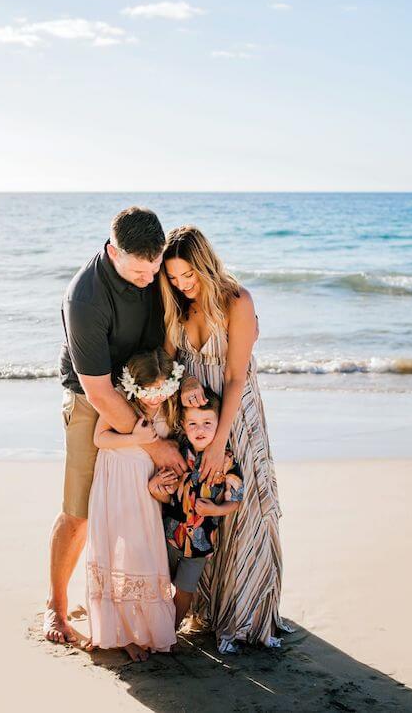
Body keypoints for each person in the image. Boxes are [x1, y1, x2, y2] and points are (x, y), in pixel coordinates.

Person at [44, 207, 186, 644]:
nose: (148, 279)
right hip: (94, 398)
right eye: (139, 271)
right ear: (113, 252)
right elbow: (100, 391)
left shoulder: (154, 270)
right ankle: (57, 606)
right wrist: (153, 445)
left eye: (154, 268)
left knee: (155, 500)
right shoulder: (85, 297)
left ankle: (146, 602)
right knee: (81, 508)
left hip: (150, 391)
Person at [160, 225, 291, 653]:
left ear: (205, 264)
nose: (182, 285)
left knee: (243, 509)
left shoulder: (238, 302)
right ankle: (207, 608)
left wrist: (221, 444)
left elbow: (235, 377)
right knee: (202, 511)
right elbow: (170, 363)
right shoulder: (177, 306)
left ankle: (248, 615)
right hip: (197, 425)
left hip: (235, 419)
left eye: (188, 276)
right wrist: (183, 384)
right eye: (174, 278)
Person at [86, 348, 184, 661]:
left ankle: (146, 628)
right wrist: (136, 438)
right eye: (146, 390)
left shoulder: (170, 410)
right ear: (132, 385)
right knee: (119, 553)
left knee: (144, 553)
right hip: (117, 483)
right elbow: (100, 439)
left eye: (161, 390)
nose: (153, 398)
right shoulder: (120, 402)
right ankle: (121, 633)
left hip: (146, 490)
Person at [149, 386, 243, 630]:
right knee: (159, 579)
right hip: (170, 533)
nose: (199, 430)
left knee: (185, 589)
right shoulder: (178, 452)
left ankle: (169, 630)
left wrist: (216, 510)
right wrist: (157, 487)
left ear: (218, 422)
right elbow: (164, 486)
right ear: (183, 423)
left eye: (207, 423)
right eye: (193, 424)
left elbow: (236, 498)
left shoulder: (227, 460)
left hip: (201, 541)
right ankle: (154, 622)